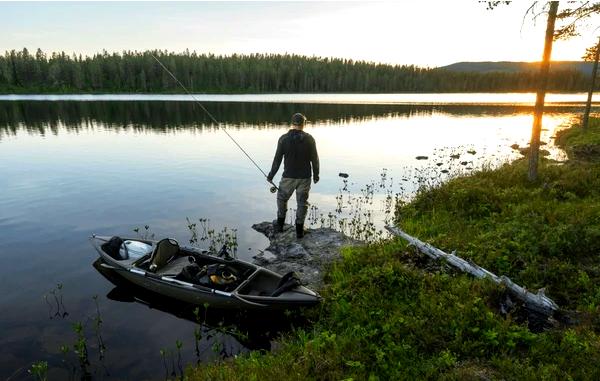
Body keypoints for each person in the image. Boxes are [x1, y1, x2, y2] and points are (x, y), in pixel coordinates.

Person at [266, 113, 319, 239]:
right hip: (305, 177)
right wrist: (316, 175)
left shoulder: (283, 139)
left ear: (292, 123)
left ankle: (280, 225)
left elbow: (277, 159)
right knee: (302, 203)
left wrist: (271, 175)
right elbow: (315, 159)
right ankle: (299, 231)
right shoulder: (310, 139)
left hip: (288, 177)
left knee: (281, 199)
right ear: (303, 124)